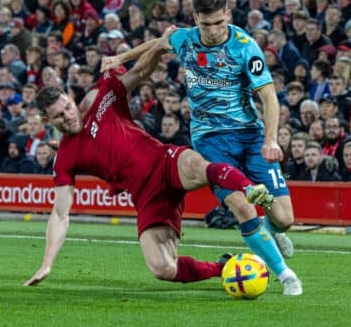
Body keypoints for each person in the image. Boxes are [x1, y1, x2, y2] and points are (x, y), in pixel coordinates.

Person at [27, 29, 302, 295]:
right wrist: (47, 263)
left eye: (67, 107)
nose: (68, 115)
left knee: (199, 166)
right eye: (60, 116)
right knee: (162, 267)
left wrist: (159, 46)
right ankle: (225, 266)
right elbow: (60, 215)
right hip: (146, 196)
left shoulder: (100, 97)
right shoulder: (64, 157)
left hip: (164, 161)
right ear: (48, 121)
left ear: (70, 99)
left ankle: (249, 189)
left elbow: (140, 72)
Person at [111, 0, 298, 262]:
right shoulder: (185, 39)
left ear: (229, 15)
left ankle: (273, 229)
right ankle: (281, 273)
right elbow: (158, 43)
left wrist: (271, 140)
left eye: (219, 23)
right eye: (206, 24)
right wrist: (120, 59)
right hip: (209, 137)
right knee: (240, 205)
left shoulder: (245, 47)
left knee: (285, 218)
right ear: (195, 18)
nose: (212, 30)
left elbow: (269, 97)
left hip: (249, 135)